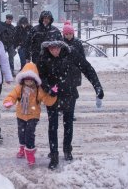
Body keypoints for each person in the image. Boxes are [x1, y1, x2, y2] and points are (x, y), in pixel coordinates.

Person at [38, 39, 104, 170]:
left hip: (69, 93)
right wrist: (48, 88)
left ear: (61, 46)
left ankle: (67, 150)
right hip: (53, 96)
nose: (54, 51)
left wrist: (97, 87)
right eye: (51, 48)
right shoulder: (43, 57)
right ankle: (54, 154)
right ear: (47, 47)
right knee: (53, 125)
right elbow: (40, 76)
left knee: (68, 122)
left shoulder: (71, 53)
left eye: (57, 48)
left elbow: (87, 68)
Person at [3, 62, 57, 167]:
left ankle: (30, 153)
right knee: (21, 133)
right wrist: (9, 101)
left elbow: (46, 100)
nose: (28, 82)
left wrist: (53, 95)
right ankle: (22, 148)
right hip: (21, 114)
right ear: (23, 80)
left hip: (33, 115)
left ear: (35, 80)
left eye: (31, 80)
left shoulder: (38, 90)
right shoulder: (20, 88)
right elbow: (12, 95)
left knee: (29, 134)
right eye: (26, 79)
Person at [62, 20, 85, 121]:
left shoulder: (77, 43)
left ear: (73, 33)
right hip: (63, 73)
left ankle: (71, 112)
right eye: (66, 34)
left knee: (73, 94)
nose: (68, 36)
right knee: (64, 93)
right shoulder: (61, 43)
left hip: (74, 72)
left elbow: (82, 57)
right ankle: (65, 110)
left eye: (70, 34)